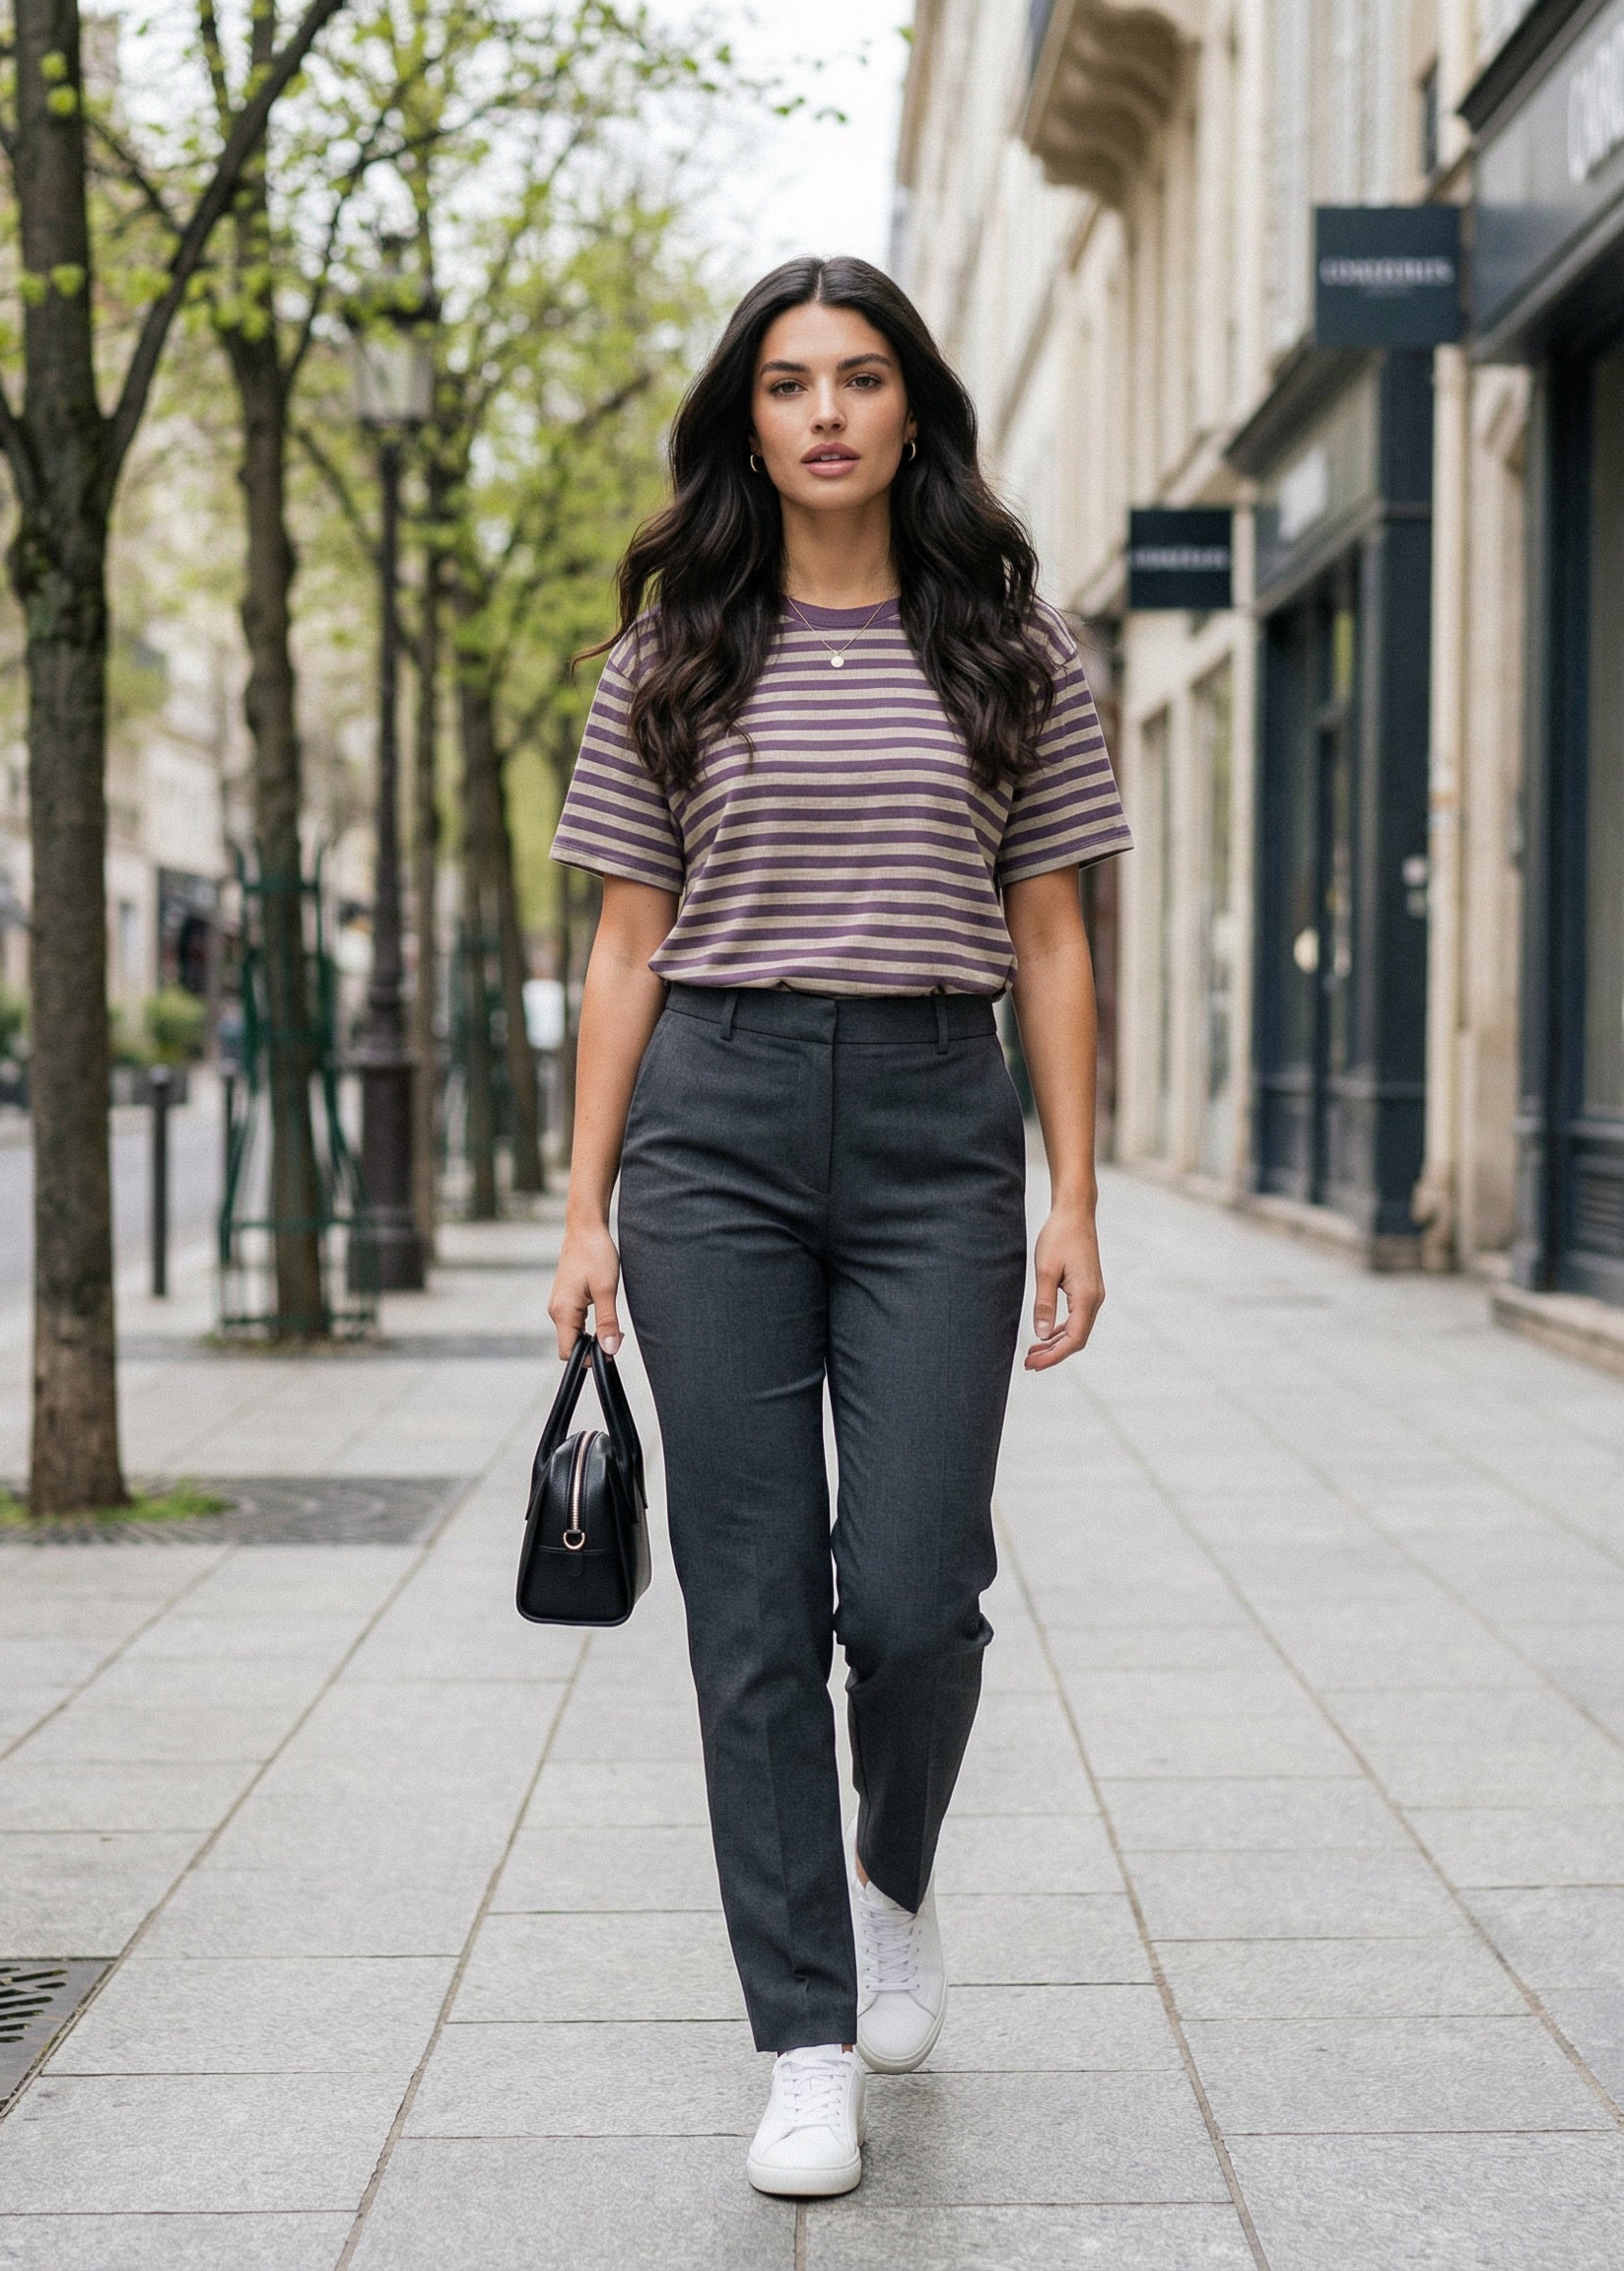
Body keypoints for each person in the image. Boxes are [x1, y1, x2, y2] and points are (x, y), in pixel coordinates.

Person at [547, 254, 1131, 2199]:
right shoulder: (673, 652)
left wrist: (1078, 1189)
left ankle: (892, 1875)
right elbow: (625, 943)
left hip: (933, 1133)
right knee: (751, 1610)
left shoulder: (1014, 647)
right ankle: (800, 2035)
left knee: (908, 1592)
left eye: (858, 378)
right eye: (786, 380)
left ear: (911, 411)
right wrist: (584, 1213)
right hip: (706, 1131)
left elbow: (1051, 932)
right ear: (746, 413)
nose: (820, 411)